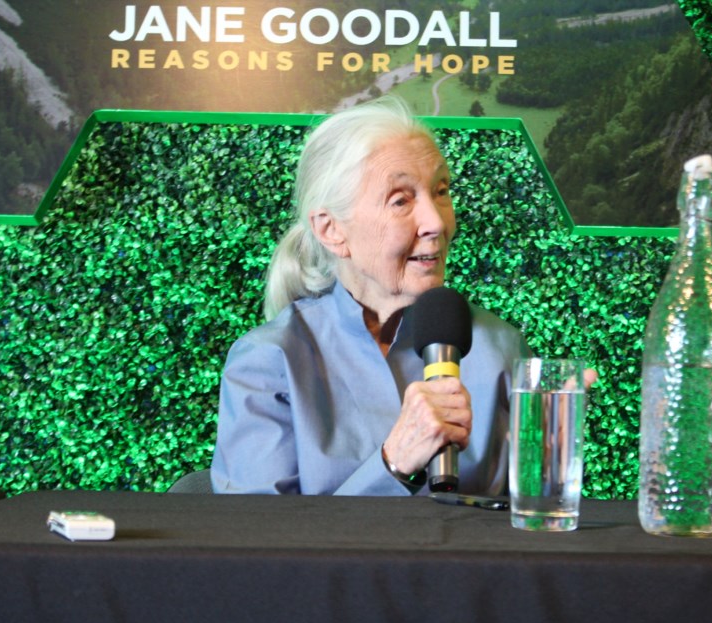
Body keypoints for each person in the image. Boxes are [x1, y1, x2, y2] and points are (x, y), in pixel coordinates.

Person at [211, 97, 537, 496]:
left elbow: (532, 524)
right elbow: (264, 549)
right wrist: (394, 463)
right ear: (331, 230)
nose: (436, 222)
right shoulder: (267, 363)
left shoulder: (501, 348)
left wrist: (552, 450)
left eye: (440, 191)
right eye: (401, 200)